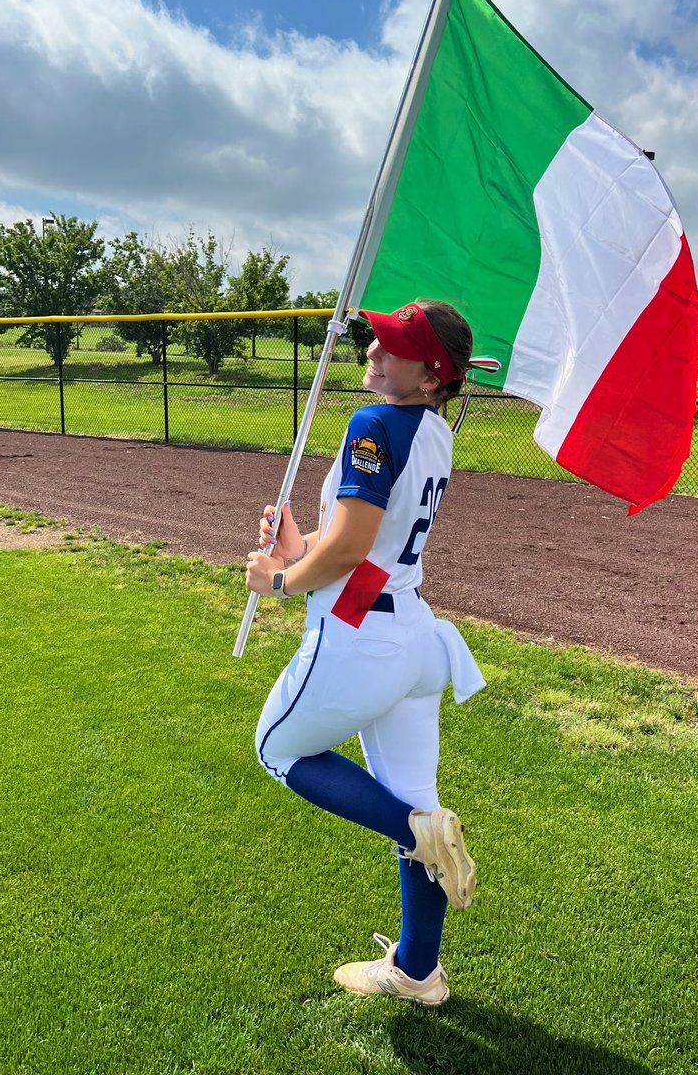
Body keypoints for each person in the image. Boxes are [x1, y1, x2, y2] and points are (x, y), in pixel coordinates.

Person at [245, 300, 486, 1007]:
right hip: (409, 630)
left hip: (365, 636)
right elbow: (366, 553)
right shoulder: (434, 427)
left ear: (431, 371)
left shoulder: (375, 423)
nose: (375, 354)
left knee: (278, 751)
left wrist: (282, 579)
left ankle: (417, 830)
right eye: (376, 340)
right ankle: (418, 972)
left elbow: (352, 547)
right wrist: (300, 546)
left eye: (393, 348)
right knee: (417, 797)